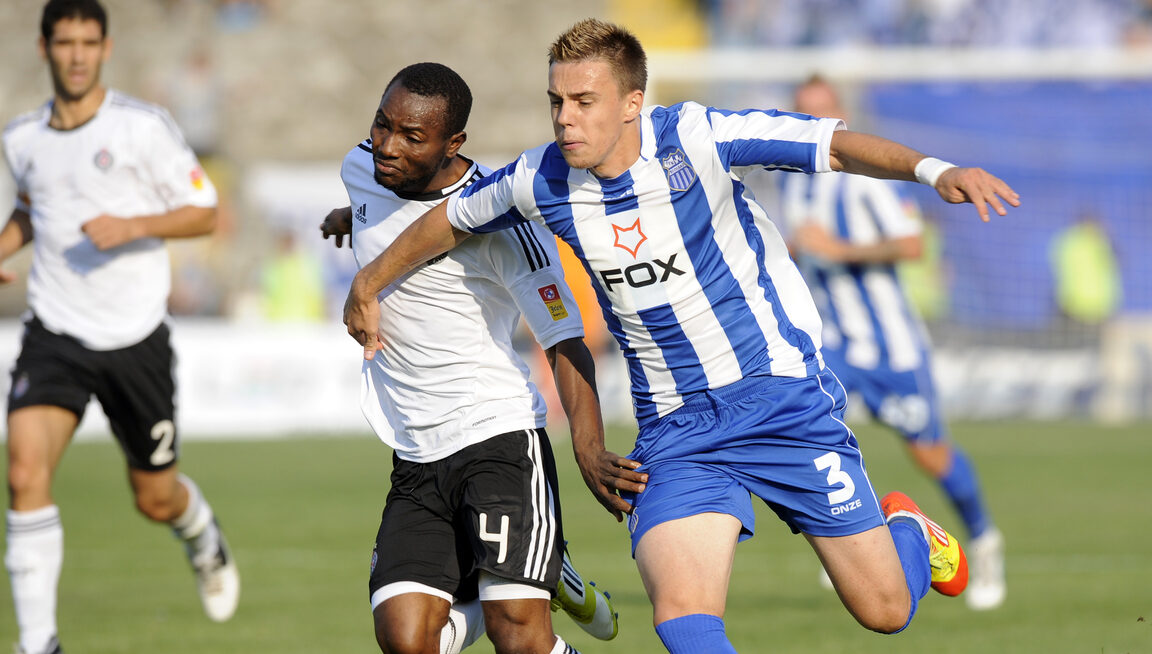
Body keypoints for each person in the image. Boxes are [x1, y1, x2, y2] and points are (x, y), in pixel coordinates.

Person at [343, 19, 1022, 652]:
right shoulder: (541, 177)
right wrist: (369, 282)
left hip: (780, 400)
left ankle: (908, 529)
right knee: (683, 623)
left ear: (633, 102)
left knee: (885, 611)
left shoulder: (697, 137)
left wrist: (939, 172)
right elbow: (450, 220)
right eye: (556, 101)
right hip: (676, 431)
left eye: (584, 101)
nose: (566, 119)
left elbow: (833, 145)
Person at [320, 62, 635, 654]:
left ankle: (536, 570)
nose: (388, 147)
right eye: (382, 125)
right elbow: (379, 208)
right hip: (414, 451)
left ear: (452, 145)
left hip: (498, 439)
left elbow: (564, 337)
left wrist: (587, 448)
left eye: (413, 138)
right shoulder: (362, 167)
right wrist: (349, 219)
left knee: (517, 636)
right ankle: (542, 566)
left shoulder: (500, 221)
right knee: (406, 642)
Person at [0, 2, 238, 652]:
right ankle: (38, 642)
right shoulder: (22, 138)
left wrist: (134, 226)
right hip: (55, 332)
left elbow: (204, 212)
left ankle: (199, 530)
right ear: (45, 49)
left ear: (106, 48)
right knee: (24, 474)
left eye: (90, 42)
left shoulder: (143, 127)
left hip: (135, 338)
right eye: (66, 42)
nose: (78, 54)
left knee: (154, 499)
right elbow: (35, 206)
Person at [780, 75, 1006, 611]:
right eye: (803, 113)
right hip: (830, 344)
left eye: (823, 112)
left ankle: (983, 539)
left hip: (890, 348)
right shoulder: (792, 178)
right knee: (804, 433)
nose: (815, 123)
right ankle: (853, 547)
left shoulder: (865, 179)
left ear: (841, 115)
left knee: (930, 453)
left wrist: (839, 249)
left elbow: (911, 242)